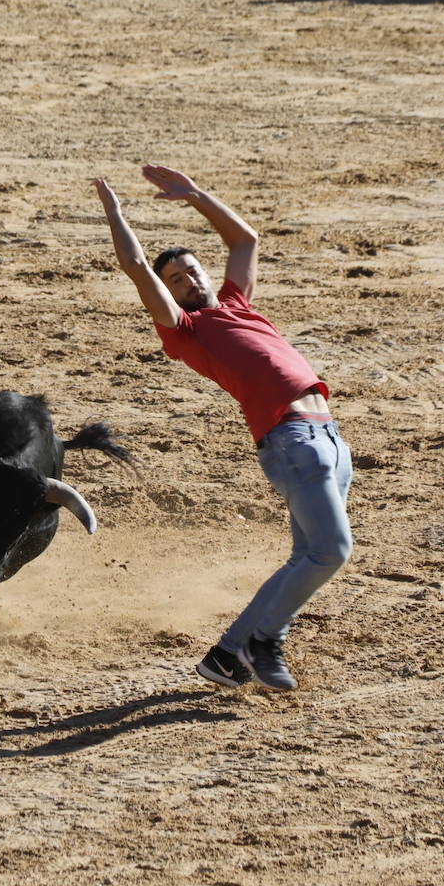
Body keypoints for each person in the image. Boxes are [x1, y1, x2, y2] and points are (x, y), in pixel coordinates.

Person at [92, 165, 353, 691]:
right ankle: (264, 639)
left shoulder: (237, 303)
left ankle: (229, 654)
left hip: (327, 433)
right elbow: (136, 266)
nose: (190, 279)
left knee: (308, 556)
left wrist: (194, 196)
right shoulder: (184, 330)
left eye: (193, 270)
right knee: (332, 551)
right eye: (177, 279)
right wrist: (117, 216)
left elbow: (244, 238)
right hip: (292, 440)